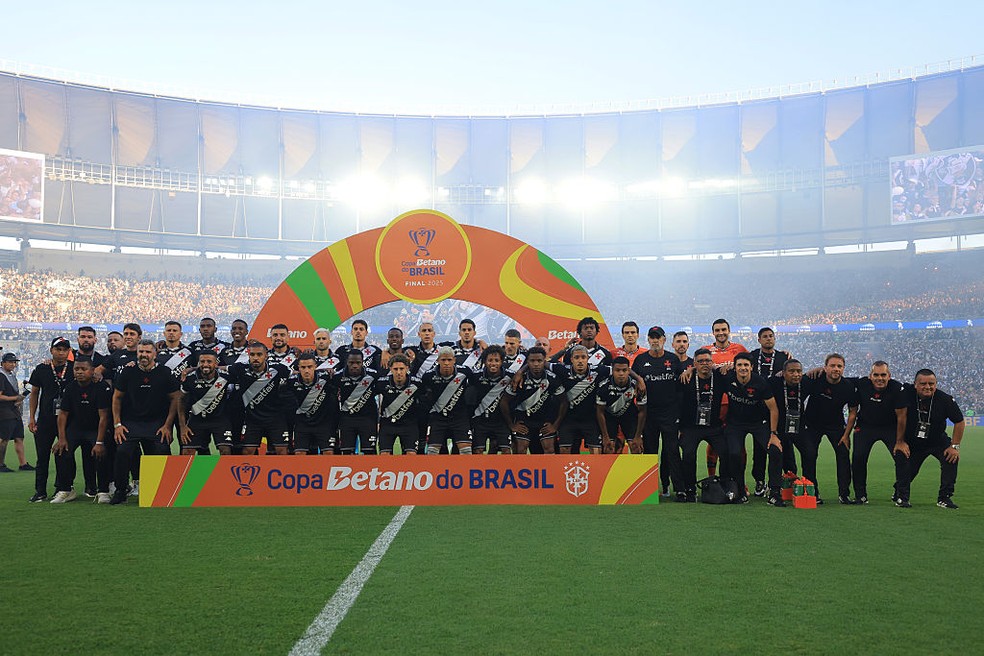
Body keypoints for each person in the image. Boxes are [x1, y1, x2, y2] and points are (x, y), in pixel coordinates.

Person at [110, 339, 180, 505]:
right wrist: (117, 425)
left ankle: (161, 490)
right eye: (141, 352)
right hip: (131, 423)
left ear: (155, 354)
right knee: (122, 452)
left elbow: (175, 399)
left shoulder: (164, 372)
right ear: (137, 353)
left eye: (148, 352)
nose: (144, 355)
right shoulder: (127, 372)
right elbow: (117, 398)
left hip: (157, 424)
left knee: (161, 450)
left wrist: (167, 425)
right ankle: (121, 490)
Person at [893, 369, 964, 509]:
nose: (927, 387)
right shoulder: (906, 393)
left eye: (931, 383)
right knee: (908, 468)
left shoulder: (945, 399)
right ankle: (901, 496)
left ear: (936, 384)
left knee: (951, 459)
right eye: (923, 383)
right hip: (913, 441)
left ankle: (945, 498)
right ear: (915, 384)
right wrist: (900, 441)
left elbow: (959, 422)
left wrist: (954, 446)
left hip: (937, 440)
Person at [722, 352, 783, 506]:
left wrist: (773, 434)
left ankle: (775, 492)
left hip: (758, 423)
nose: (743, 368)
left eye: (746, 365)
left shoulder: (760, 383)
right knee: (734, 454)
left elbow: (773, 409)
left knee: (775, 450)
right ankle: (741, 492)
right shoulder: (727, 379)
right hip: (735, 424)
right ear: (734, 367)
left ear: (752, 367)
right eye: (739, 365)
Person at [632, 326, 684, 496]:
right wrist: (638, 378)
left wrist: (689, 370)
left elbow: (682, 381)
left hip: (670, 413)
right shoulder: (640, 360)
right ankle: (650, 490)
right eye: (652, 338)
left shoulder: (672, 359)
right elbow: (629, 372)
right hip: (649, 414)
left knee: (672, 452)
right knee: (650, 452)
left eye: (658, 337)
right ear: (648, 340)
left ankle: (679, 489)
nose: (655, 340)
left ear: (664, 340)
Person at [52, 357, 111, 503]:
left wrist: (99, 441)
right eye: (76, 369)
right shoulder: (70, 388)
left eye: (83, 369)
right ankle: (66, 490)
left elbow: (104, 416)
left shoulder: (101, 387)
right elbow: (63, 414)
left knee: (101, 452)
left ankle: (103, 491)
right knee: (61, 451)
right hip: (76, 428)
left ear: (92, 371)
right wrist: (61, 438)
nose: (79, 372)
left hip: (95, 429)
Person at [802, 353, 858, 504]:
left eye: (839, 366)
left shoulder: (848, 386)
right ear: (825, 367)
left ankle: (844, 495)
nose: (836, 369)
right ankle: (813, 493)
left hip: (836, 426)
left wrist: (846, 435)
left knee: (844, 456)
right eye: (832, 365)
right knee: (809, 455)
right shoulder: (814, 379)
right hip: (812, 425)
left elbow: (853, 411)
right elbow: (797, 393)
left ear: (843, 369)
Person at [677, 348, 729, 502]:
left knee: (726, 453)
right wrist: (680, 427)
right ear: (694, 364)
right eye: (700, 361)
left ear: (712, 362)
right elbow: (678, 403)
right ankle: (690, 489)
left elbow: (735, 371)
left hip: (714, 427)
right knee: (688, 455)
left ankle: (724, 486)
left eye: (707, 360)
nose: (704, 364)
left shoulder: (720, 377)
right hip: (691, 427)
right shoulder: (687, 379)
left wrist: (728, 367)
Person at [27, 337, 74, 503]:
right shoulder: (41, 368)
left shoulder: (75, 369)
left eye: (64, 349)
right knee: (42, 456)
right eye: (57, 349)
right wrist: (32, 417)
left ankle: (61, 488)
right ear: (51, 350)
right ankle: (40, 491)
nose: (61, 353)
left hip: (67, 420)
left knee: (63, 455)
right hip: (45, 419)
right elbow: (34, 393)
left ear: (69, 351)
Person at [852, 361, 905, 505]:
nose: (879, 378)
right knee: (858, 458)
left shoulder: (897, 388)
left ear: (889, 376)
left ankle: (901, 494)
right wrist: (820, 370)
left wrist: (900, 441)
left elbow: (901, 416)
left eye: (883, 375)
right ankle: (860, 495)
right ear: (870, 376)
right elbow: (840, 379)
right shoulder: (862, 384)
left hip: (890, 427)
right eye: (876, 375)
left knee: (902, 457)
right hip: (865, 426)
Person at [228, 341, 292, 456]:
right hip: (253, 419)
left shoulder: (278, 369)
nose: (255, 358)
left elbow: (298, 373)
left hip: (275, 419)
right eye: (252, 355)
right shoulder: (240, 369)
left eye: (259, 354)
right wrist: (191, 370)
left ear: (266, 355)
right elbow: (216, 368)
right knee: (247, 451)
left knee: (282, 451)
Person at [701, 318, 747, 478]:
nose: (721, 333)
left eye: (723, 330)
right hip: (716, 405)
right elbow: (697, 368)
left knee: (738, 445)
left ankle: (740, 482)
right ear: (713, 333)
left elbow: (750, 367)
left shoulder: (739, 349)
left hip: (736, 405)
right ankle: (712, 479)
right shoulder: (705, 351)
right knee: (714, 444)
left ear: (728, 331)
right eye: (717, 330)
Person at [748, 327, 790, 496]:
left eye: (771, 336)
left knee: (783, 444)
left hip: (777, 406)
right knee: (759, 447)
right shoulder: (752, 356)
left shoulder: (783, 357)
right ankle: (759, 480)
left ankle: (786, 478)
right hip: (756, 406)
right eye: (764, 336)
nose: (768, 339)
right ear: (759, 340)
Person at [501, 347, 567, 455]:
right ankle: (521, 471)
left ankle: (550, 472)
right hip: (524, 421)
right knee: (520, 449)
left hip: (545, 421)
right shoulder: (520, 379)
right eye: (532, 361)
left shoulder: (552, 379)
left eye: (539, 361)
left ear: (544, 361)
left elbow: (564, 401)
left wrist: (555, 425)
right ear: (527, 362)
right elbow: (504, 401)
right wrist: (511, 424)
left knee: (549, 449)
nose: (536, 364)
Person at [552, 345, 608, 455]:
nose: (580, 361)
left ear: (588, 358)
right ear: (571, 359)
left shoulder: (597, 370)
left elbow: (619, 369)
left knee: (596, 452)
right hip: (568, 419)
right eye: (577, 358)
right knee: (564, 451)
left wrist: (638, 379)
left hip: (590, 419)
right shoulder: (563, 370)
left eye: (583, 357)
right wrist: (520, 372)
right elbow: (544, 362)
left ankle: (596, 472)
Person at [177, 351, 234, 456]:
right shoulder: (190, 379)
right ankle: (195, 472)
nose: (205, 364)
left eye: (209, 361)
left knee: (225, 450)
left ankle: (223, 472)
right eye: (202, 361)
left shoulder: (226, 378)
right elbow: (181, 401)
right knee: (187, 452)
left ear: (216, 364)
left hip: (220, 420)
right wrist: (182, 426)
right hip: (197, 419)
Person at [419, 347, 473, 454]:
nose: (446, 363)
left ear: (454, 360)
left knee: (466, 451)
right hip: (438, 418)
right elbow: (422, 397)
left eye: (449, 360)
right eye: (443, 360)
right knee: (432, 452)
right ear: (438, 361)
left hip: (459, 418)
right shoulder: (428, 376)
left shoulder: (465, 372)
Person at [284, 352, 338, 456]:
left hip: (323, 423)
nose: (306, 370)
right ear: (298, 368)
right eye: (303, 367)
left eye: (310, 367)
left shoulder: (327, 377)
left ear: (315, 367)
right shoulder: (291, 381)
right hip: (302, 424)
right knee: (299, 453)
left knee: (328, 453)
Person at [595, 356, 646, 456]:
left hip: (629, 417)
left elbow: (642, 411)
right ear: (612, 371)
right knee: (608, 448)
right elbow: (600, 412)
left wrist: (638, 436)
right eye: (617, 370)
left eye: (624, 370)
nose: (621, 373)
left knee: (636, 447)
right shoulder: (604, 386)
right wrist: (605, 436)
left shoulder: (637, 386)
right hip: (609, 417)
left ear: (628, 371)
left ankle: (635, 471)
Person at [467, 346, 514, 455]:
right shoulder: (476, 376)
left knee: (506, 451)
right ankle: (477, 471)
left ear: (502, 361)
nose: (493, 363)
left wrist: (520, 373)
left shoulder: (510, 376)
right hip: (481, 421)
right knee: (477, 451)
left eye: (497, 360)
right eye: (490, 360)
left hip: (501, 422)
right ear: (484, 361)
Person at [374, 354, 423, 455]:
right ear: (390, 369)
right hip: (387, 424)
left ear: (407, 368)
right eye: (395, 369)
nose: (399, 372)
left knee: (411, 455)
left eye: (402, 369)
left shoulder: (417, 384)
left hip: (409, 424)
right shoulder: (382, 383)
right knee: (384, 456)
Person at [335, 351, 379, 455]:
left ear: (362, 362)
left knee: (370, 453)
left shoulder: (373, 375)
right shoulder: (338, 376)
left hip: (368, 419)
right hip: (347, 420)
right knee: (347, 453)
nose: (355, 366)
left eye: (358, 363)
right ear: (347, 362)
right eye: (351, 363)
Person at [768, 360, 806, 476]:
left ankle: (808, 485)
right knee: (777, 453)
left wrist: (819, 369)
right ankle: (775, 487)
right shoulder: (774, 382)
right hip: (778, 426)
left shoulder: (806, 382)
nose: (796, 374)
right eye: (791, 371)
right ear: (783, 373)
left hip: (798, 427)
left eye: (799, 371)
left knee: (809, 452)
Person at [0, 352, 32, 472]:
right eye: (10, 362)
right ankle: (0, 464)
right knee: (3, 438)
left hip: (13, 411)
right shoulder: (1, 375)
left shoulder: (10, 375)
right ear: (3, 363)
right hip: (4, 412)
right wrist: (15, 398)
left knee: (19, 437)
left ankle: (23, 464)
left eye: (14, 362)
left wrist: (19, 399)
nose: (13, 364)